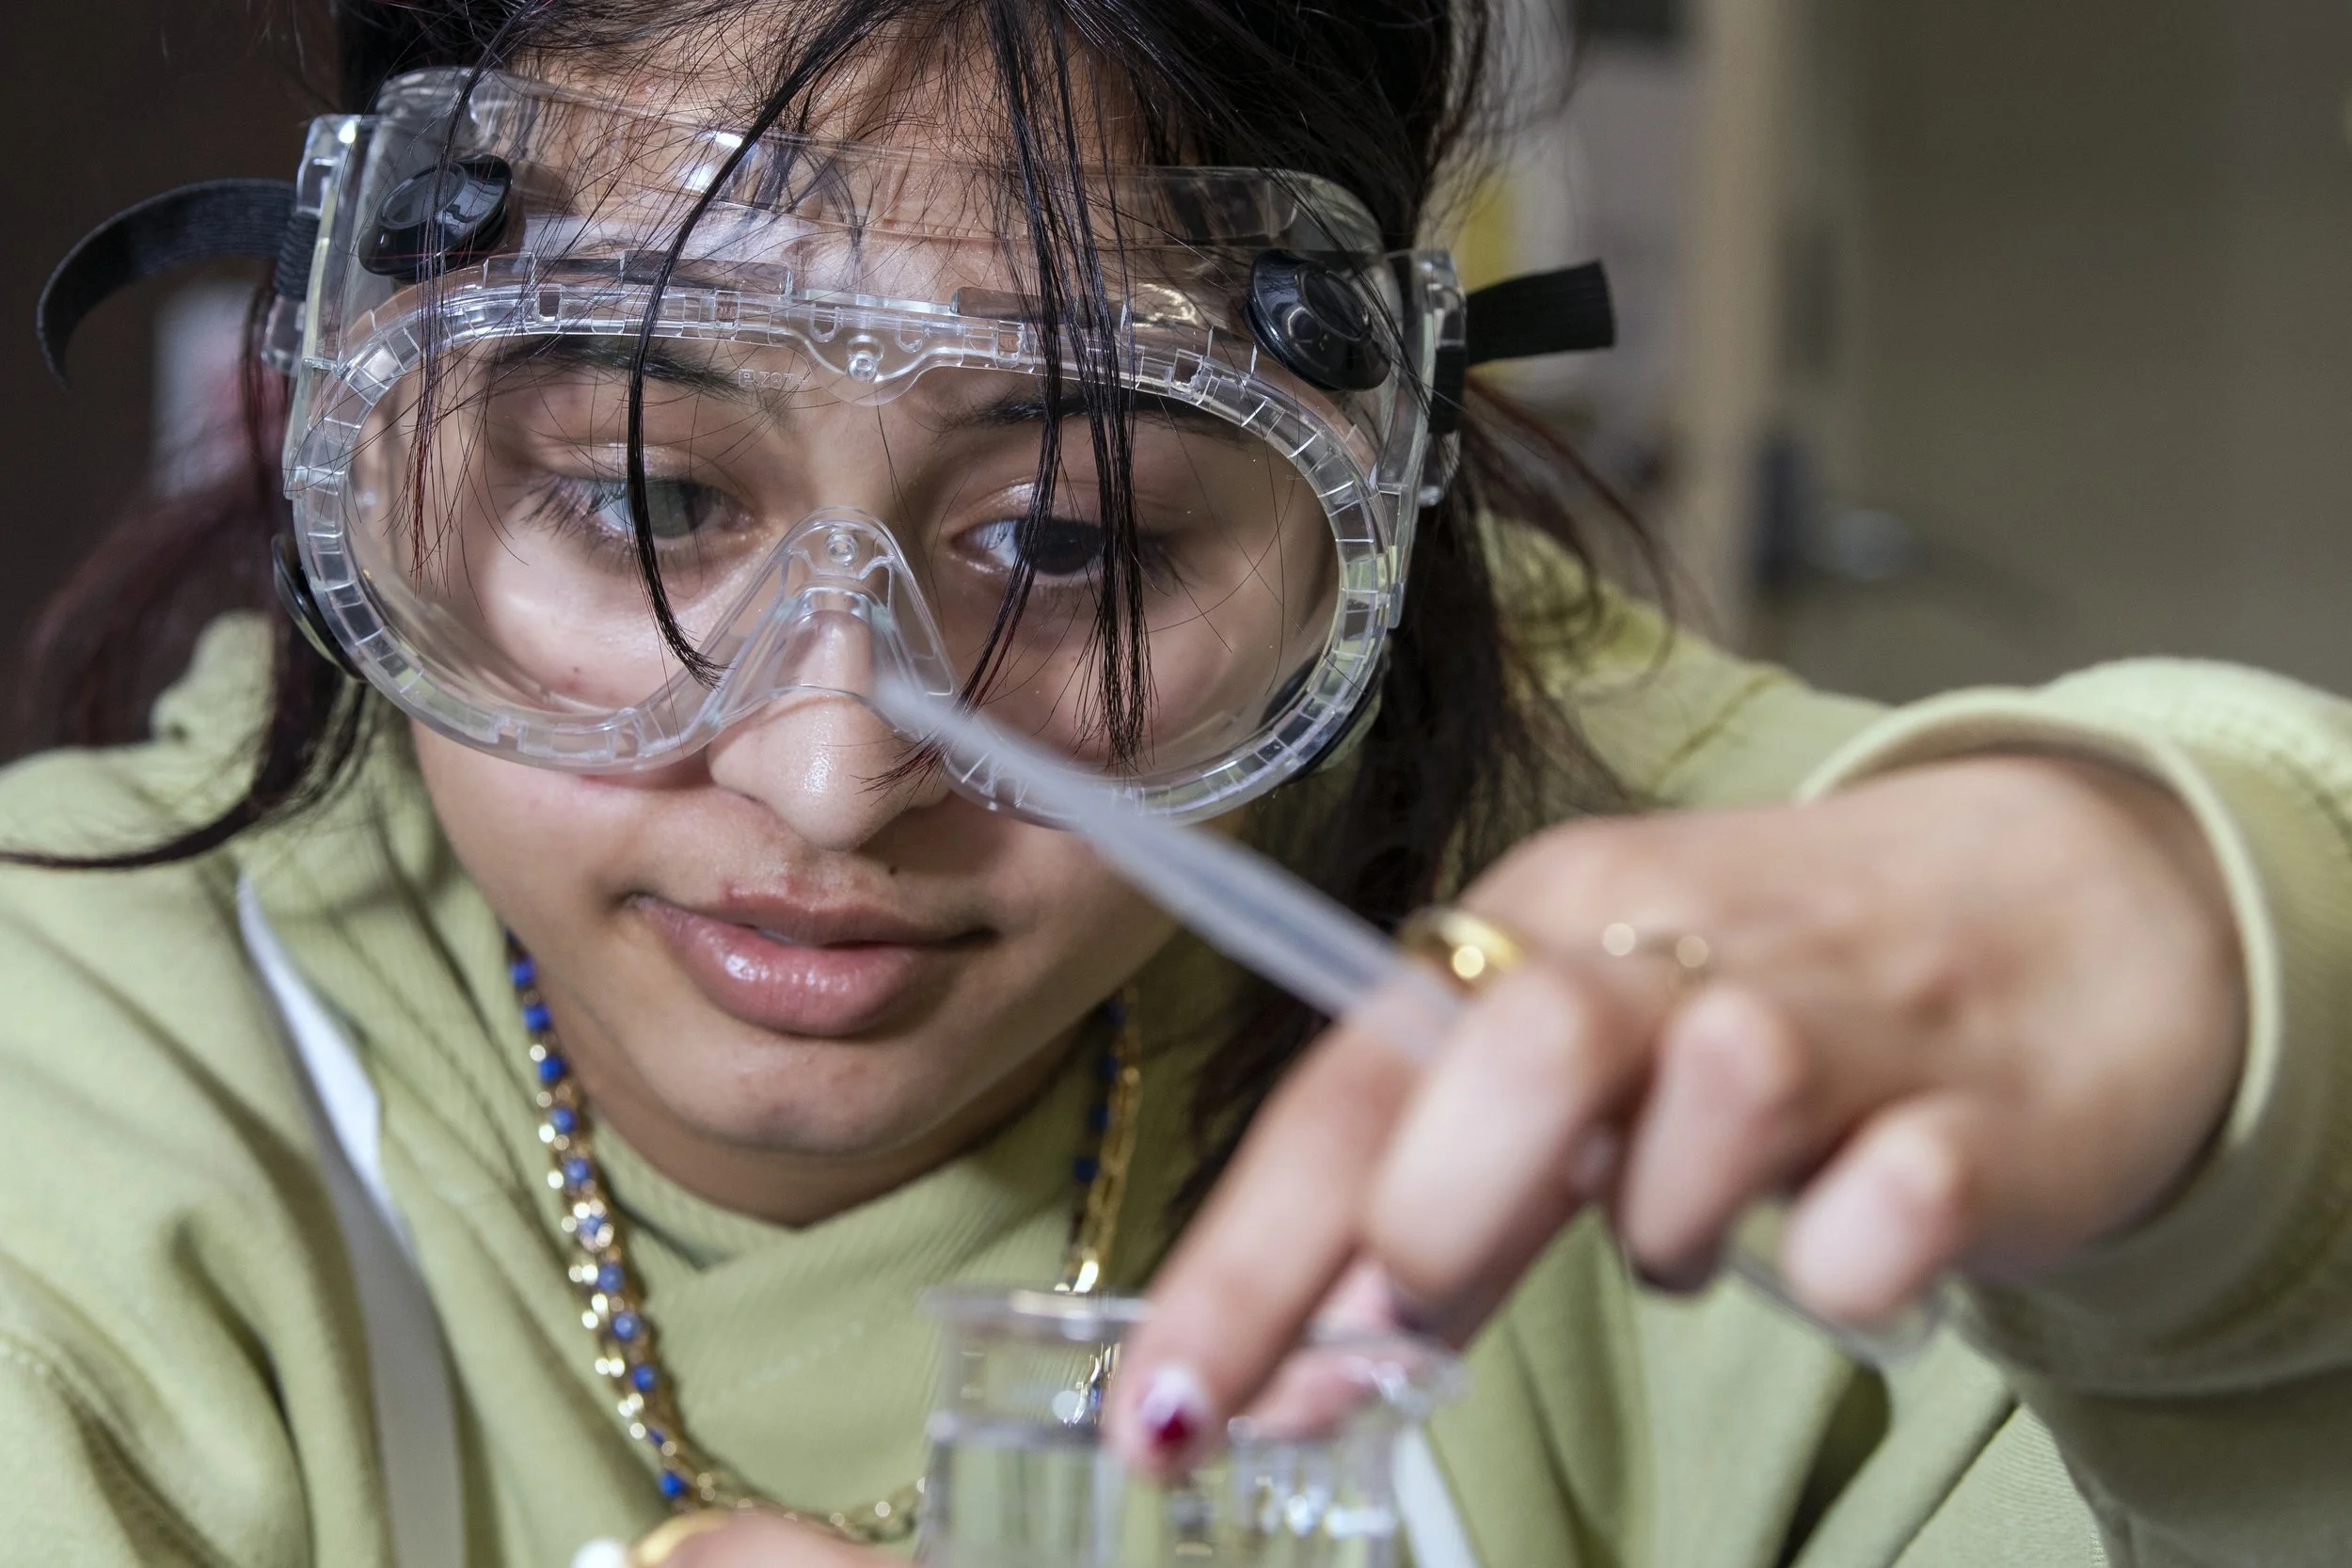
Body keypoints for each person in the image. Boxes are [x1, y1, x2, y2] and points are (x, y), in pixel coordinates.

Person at [6, 2, 2349, 1565]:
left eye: (1068, 540)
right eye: (644, 492)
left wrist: (2233, 1029)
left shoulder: (1697, 1005)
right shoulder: (70, 1116)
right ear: (364, 419)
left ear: (1365, 493)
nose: (831, 773)